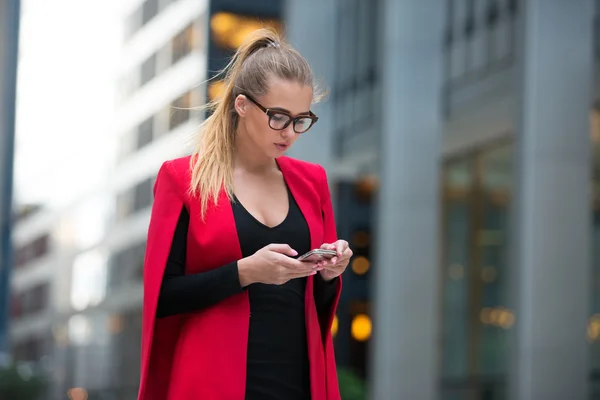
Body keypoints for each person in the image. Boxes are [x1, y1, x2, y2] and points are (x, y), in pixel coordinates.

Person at [137, 29, 353, 400]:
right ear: (242, 105)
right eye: (279, 117)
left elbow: (316, 305)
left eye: (301, 120)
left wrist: (329, 273)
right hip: (211, 382)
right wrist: (244, 272)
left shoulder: (312, 181)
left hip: (297, 380)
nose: (289, 133)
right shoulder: (183, 179)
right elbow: (163, 296)